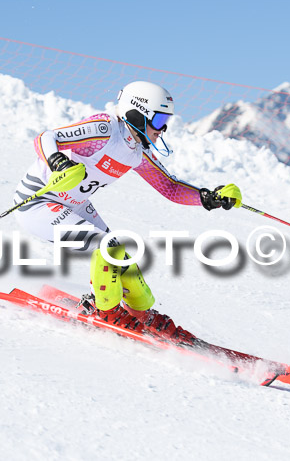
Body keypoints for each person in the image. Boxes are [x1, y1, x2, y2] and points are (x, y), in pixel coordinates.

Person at [13, 81, 242, 345]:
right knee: (108, 247)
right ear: (139, 112)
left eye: (166, 120)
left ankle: (141, 315)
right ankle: (107, 311)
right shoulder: (105, 128)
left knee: (119, 253)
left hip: (71, 203)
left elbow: (169, 186)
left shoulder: (137, 151)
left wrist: (209, 198)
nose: (163, 128)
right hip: (38, 203)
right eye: (159, 118)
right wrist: (58, 162)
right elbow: (45, 138)